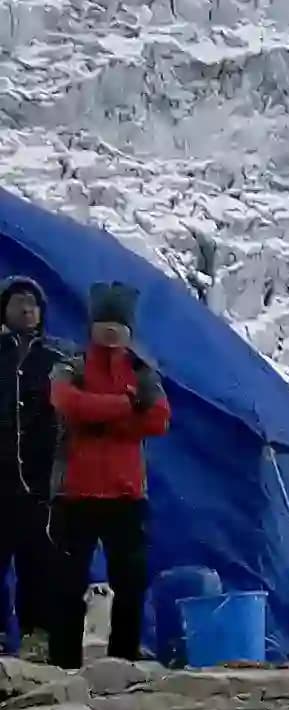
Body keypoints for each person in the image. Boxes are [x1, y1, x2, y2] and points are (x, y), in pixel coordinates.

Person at [47, 281, 172, 668]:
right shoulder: (72, 363)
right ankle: (63, 661)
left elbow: (159, 419)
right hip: (76, 493)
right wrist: (123, 406)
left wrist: (98, 417)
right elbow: (66, 401)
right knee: (68, 583)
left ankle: (123, 659)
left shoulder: (142, 370)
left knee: (130, 584)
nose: (112, 329)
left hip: (126, 494)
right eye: (105, 321)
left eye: (119, 322)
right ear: (92, 325)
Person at [0, 282, 54, 656]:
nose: (27, 309)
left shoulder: (54, 359)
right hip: (0, 480)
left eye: (33, 303)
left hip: (40, 482)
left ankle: (38, 639)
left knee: (38, 562)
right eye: (19, 302)